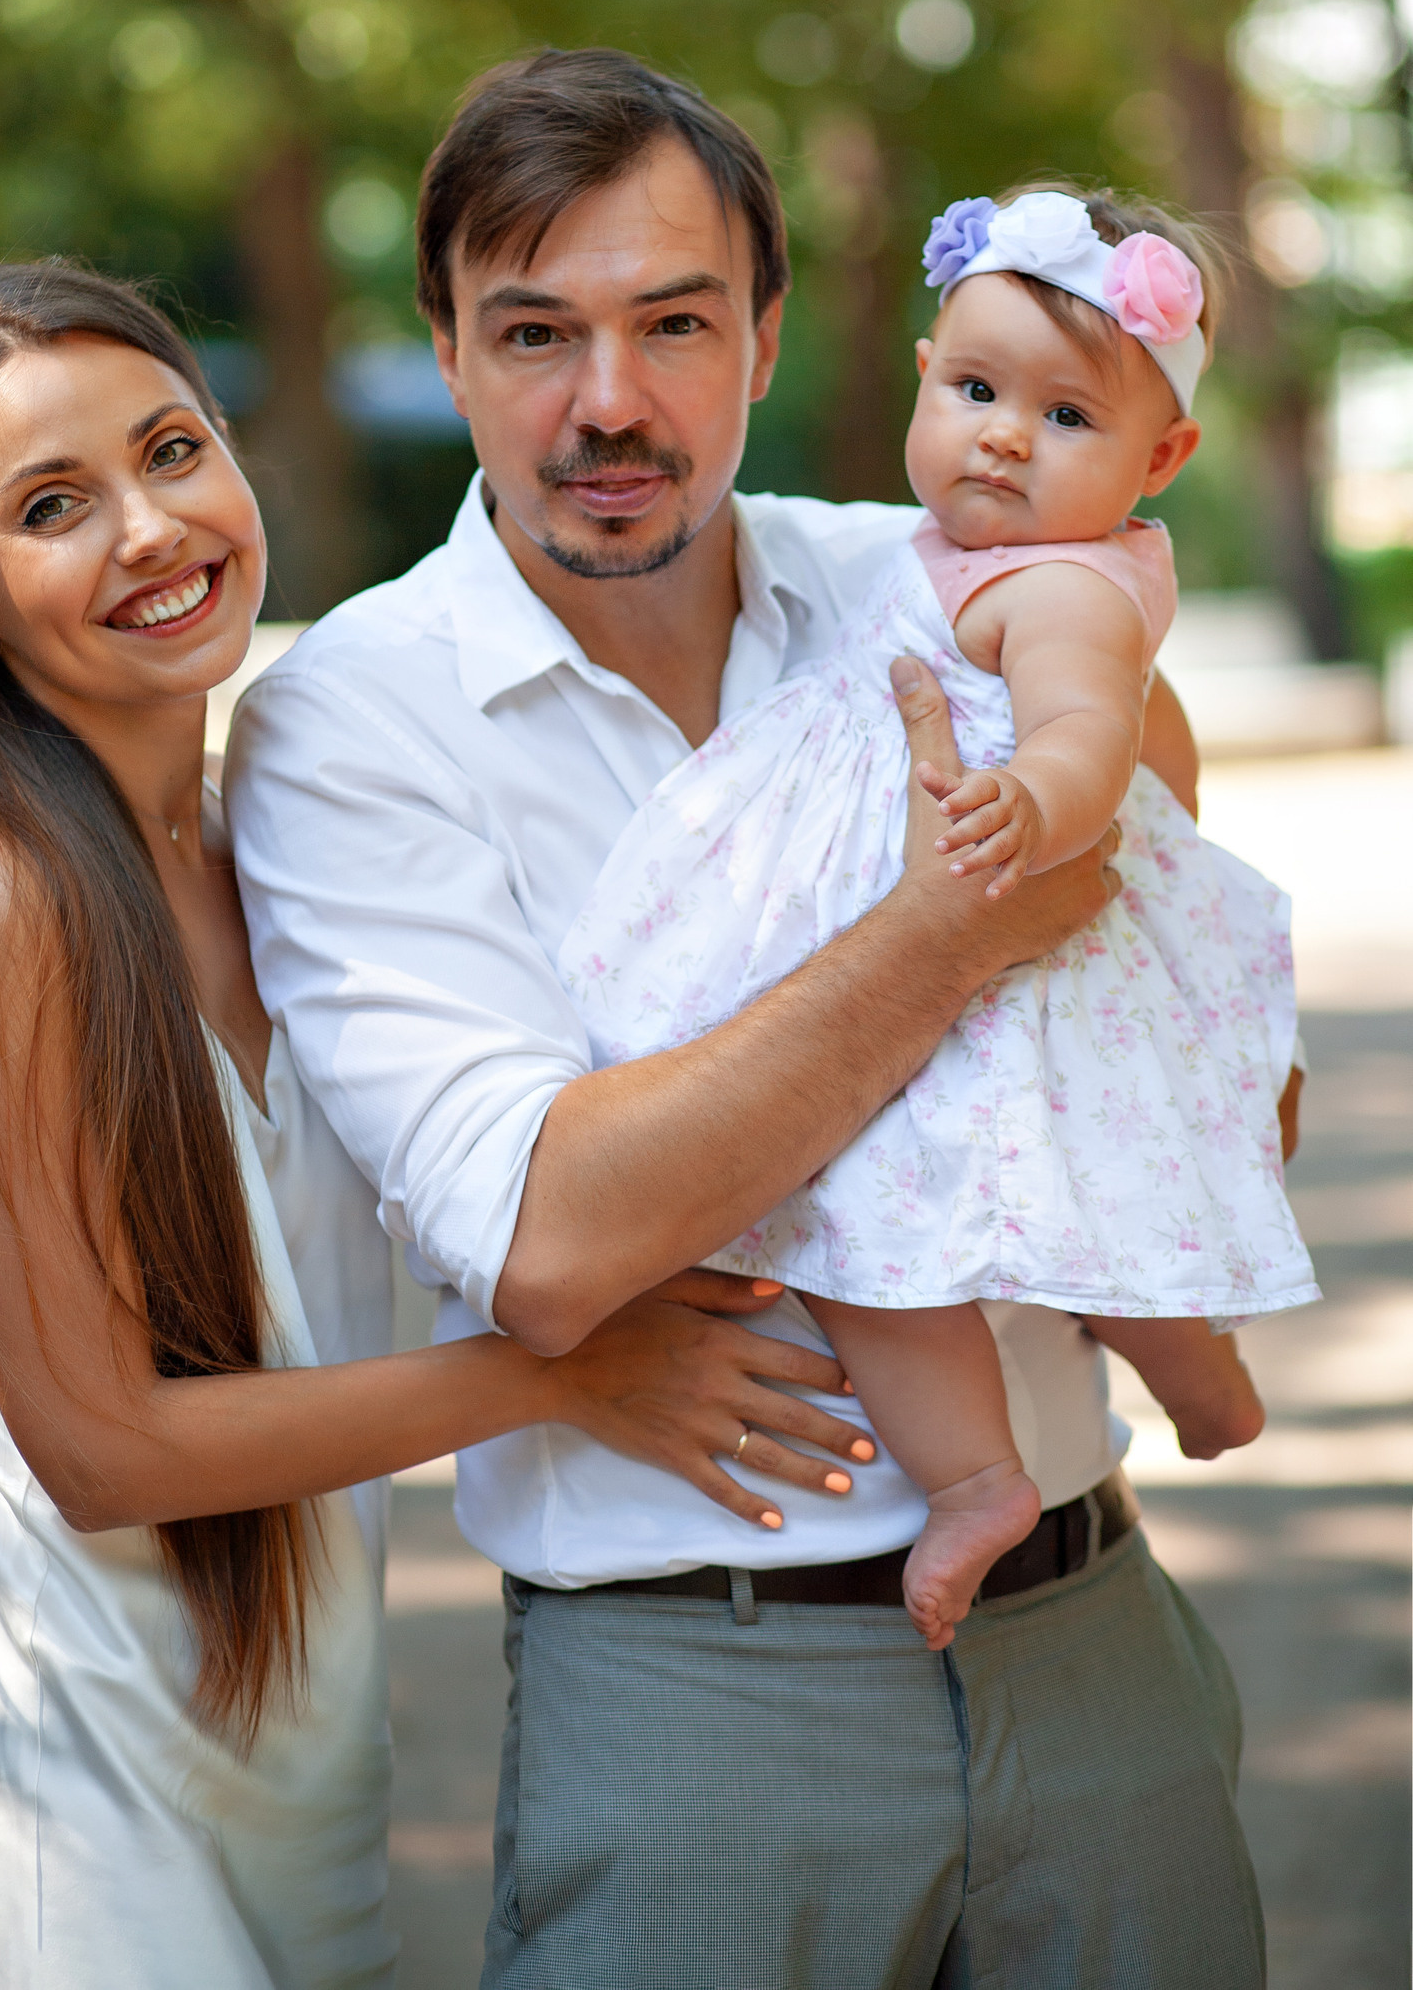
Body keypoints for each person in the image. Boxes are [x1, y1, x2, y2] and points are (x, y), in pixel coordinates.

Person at [227, 49, 1269, 1986]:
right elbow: (552, 1238)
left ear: (765, 337)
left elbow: (1186, 984)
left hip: (1092, 1629)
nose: (605, 401)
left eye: (671, 322)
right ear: (444, 348)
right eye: (532, 329)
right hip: (701, 1679)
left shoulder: (916, 569)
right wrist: (954, 930)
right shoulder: (350, 719)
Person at [0, 260, 872, 1990]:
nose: (148, 527)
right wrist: (556, 1375)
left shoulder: (275, 825)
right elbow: (101, 1447)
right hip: (77, 1787)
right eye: (53, 506)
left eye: (172, 450)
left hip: (302, 1764)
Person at [560, 178, 1317, 1649]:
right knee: (1084, 1190)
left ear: (1160, 456)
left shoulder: (1060, 593)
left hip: (996, 931)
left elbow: (1091, 734)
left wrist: (1033, 799)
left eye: (1067, 420)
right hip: (975, 929)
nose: (1004, 436)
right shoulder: (935, 553)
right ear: (923, 375)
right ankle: (1202, 1380)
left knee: (865, 1225)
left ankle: (974, 1480)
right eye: (974, 388)